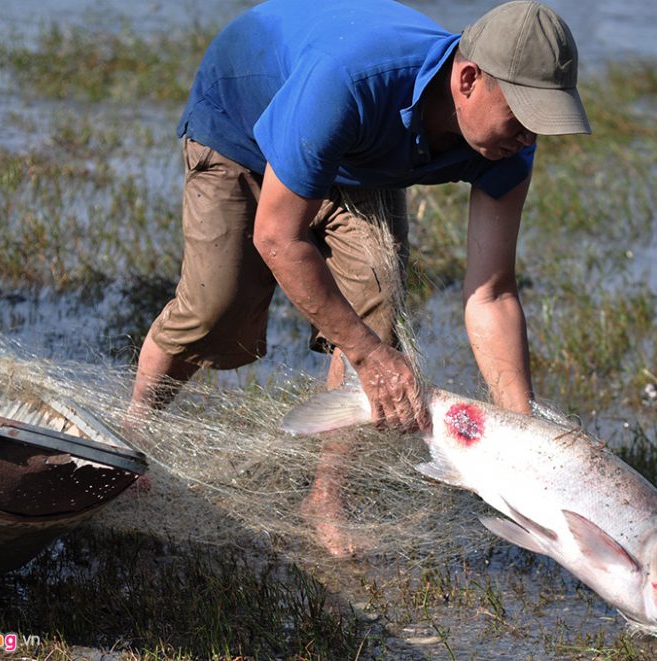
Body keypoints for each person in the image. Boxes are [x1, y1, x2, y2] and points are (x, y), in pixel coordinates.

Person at [129, 0, 591, 553]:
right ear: (469, 79)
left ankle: (326, 498)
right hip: (241, 121)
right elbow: (277, 236)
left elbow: (490, 292)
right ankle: (135, 432)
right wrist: (372, 359)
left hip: (353, 150)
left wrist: (520, 432)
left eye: (543, 124)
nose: (529, 138)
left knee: (374, 298)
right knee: (216, 305)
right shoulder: (351, 82)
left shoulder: (507, 145)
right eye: (523, 117)